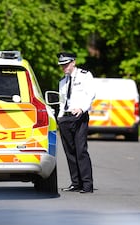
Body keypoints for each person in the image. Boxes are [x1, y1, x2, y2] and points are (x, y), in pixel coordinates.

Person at [56, 52, 96, 194]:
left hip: (79, 116)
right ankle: (76, 183)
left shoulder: (85, 76)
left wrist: (82, 108)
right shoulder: (62, 81)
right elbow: (62, 102)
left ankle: (87, 184)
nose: (63, 67)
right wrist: (59, 118)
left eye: (66, 64)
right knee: (70, 153)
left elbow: (91, 94)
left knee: (81, 151)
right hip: (65, 118)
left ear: (73, 62)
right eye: (62, 65)